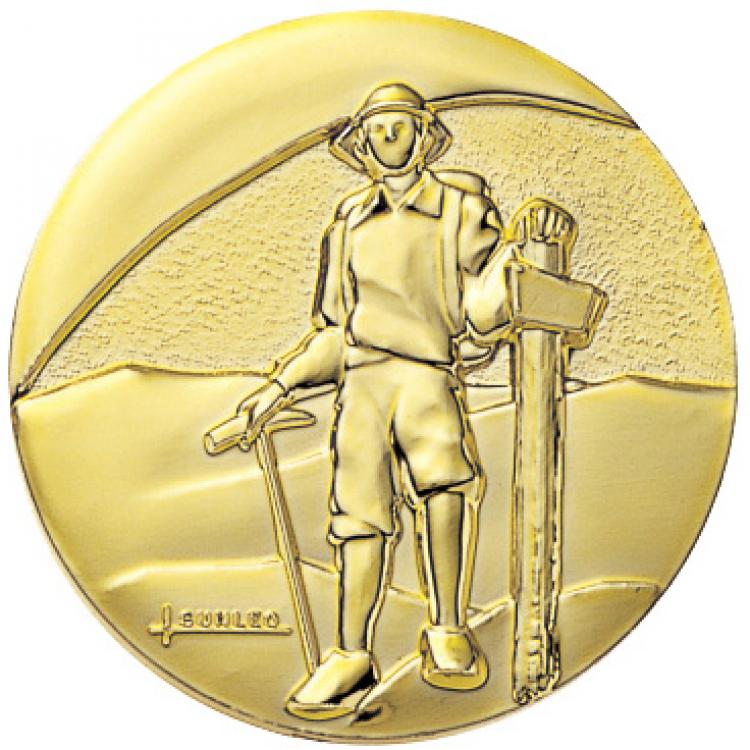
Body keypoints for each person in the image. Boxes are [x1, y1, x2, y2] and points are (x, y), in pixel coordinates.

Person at [237, 82, 563, 720]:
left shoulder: (460, 209)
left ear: (422, 135)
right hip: (362, 384)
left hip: (427, 376)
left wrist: (524, 240)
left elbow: (486, 305)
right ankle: (350, 656)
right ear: (361, 144)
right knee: (357, 517)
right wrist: (278, 386)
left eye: (400, 125)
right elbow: (336, 331)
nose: (388, 137)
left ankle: (448, 631)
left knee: (444, 490)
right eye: (376, 129)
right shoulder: (348, 223)